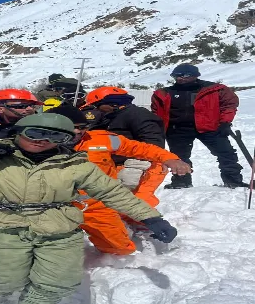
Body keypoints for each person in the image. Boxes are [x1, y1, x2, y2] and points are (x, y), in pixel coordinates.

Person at [0, 113, 177, 304]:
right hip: (4, 224)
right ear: (20, 132)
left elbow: (111, 191)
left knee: (61, 278)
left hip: (58, 223)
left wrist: (151, 217)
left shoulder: (74, 163)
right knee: (3, 281)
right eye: (36, 134)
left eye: (56, 136)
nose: (44, 140)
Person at [50, 104, 190, 255]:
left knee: (120, 251)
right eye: (72, 127)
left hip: (96, 206)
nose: (78, 131)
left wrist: (170, 159)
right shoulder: (37, 145)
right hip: (51, 209)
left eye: (82, 126)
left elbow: (141, 149)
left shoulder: (103, 140)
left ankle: (123, 222)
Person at [151, 63, 245, 189]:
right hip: (177, 129)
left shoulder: (214, 89)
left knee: (226, 153)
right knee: (179, 157)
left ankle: (233, 180)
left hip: (209, 127)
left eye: (184, 75)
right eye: (176, 76)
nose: (180, 78)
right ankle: (182, 181)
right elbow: (156, 112)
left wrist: (225, 122)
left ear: (195, 76)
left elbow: (229, 104)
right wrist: (157, 127)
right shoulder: (164, 93)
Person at [81, 86, 167, 206]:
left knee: (138, 202)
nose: (96, 109)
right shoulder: (110, 117)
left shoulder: (139, 115)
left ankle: (149, 223)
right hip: (119, 165)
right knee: (116, 202)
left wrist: (136, 166)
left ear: (112, 104)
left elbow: (153, 143)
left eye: (97, 105)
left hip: (144, 166)